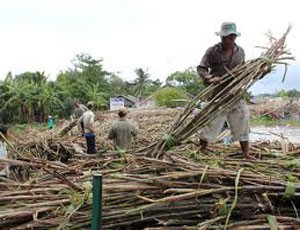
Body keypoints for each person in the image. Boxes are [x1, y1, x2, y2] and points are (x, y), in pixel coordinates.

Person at [197, 22, 251, 158]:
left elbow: (244, 70)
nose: (226, 40)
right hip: (217, 95)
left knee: (242, 119)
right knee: (210, 123)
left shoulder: (241, 52)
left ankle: (246, 153)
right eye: (224, 37)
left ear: (234, 37)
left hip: (235, 94)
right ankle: (201, 152)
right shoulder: (212, 51)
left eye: (230, 38)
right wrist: (210, 78)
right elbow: (201, 68)